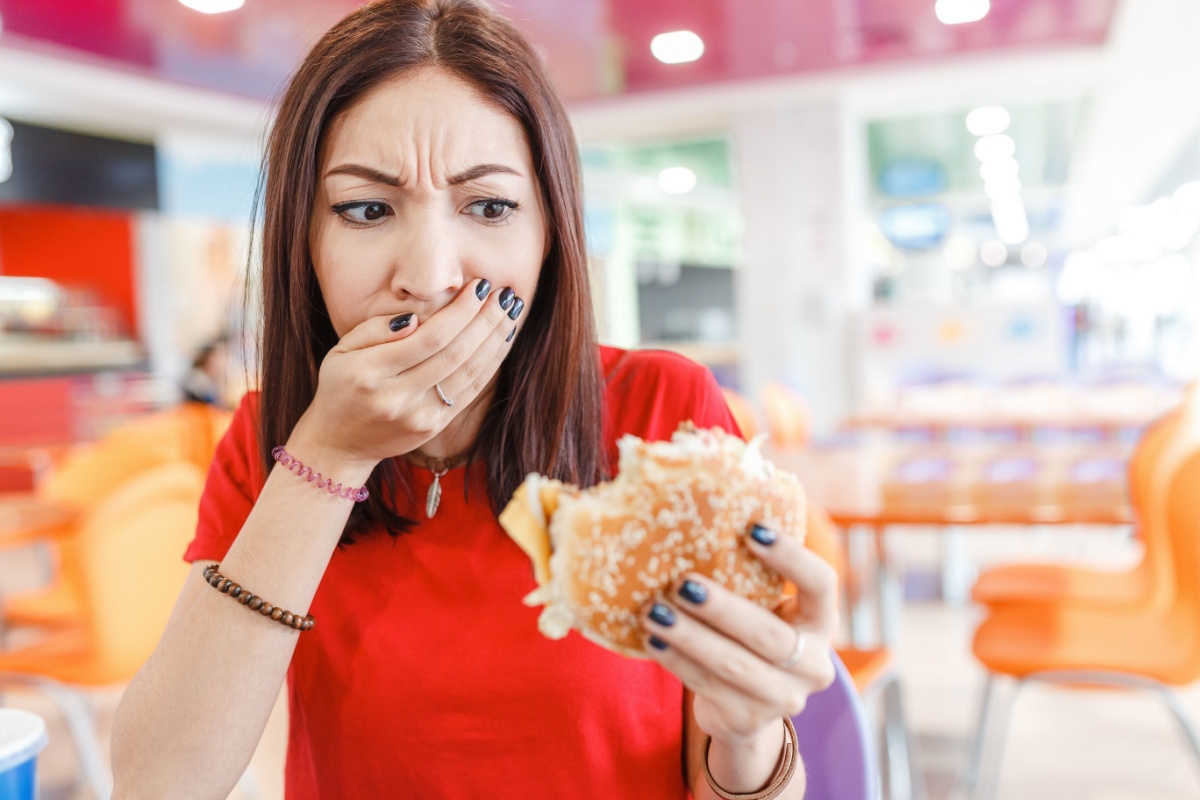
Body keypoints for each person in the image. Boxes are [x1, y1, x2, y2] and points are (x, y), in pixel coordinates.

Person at [110, 1, 838, 798]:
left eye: (488, 207)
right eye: (366, 208)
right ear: (303, 243)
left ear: (550, 233)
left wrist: (751, 730)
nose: (429, 275)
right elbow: (158, 784)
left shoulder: (662, 409)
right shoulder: (268, 443)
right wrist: (329, 454)